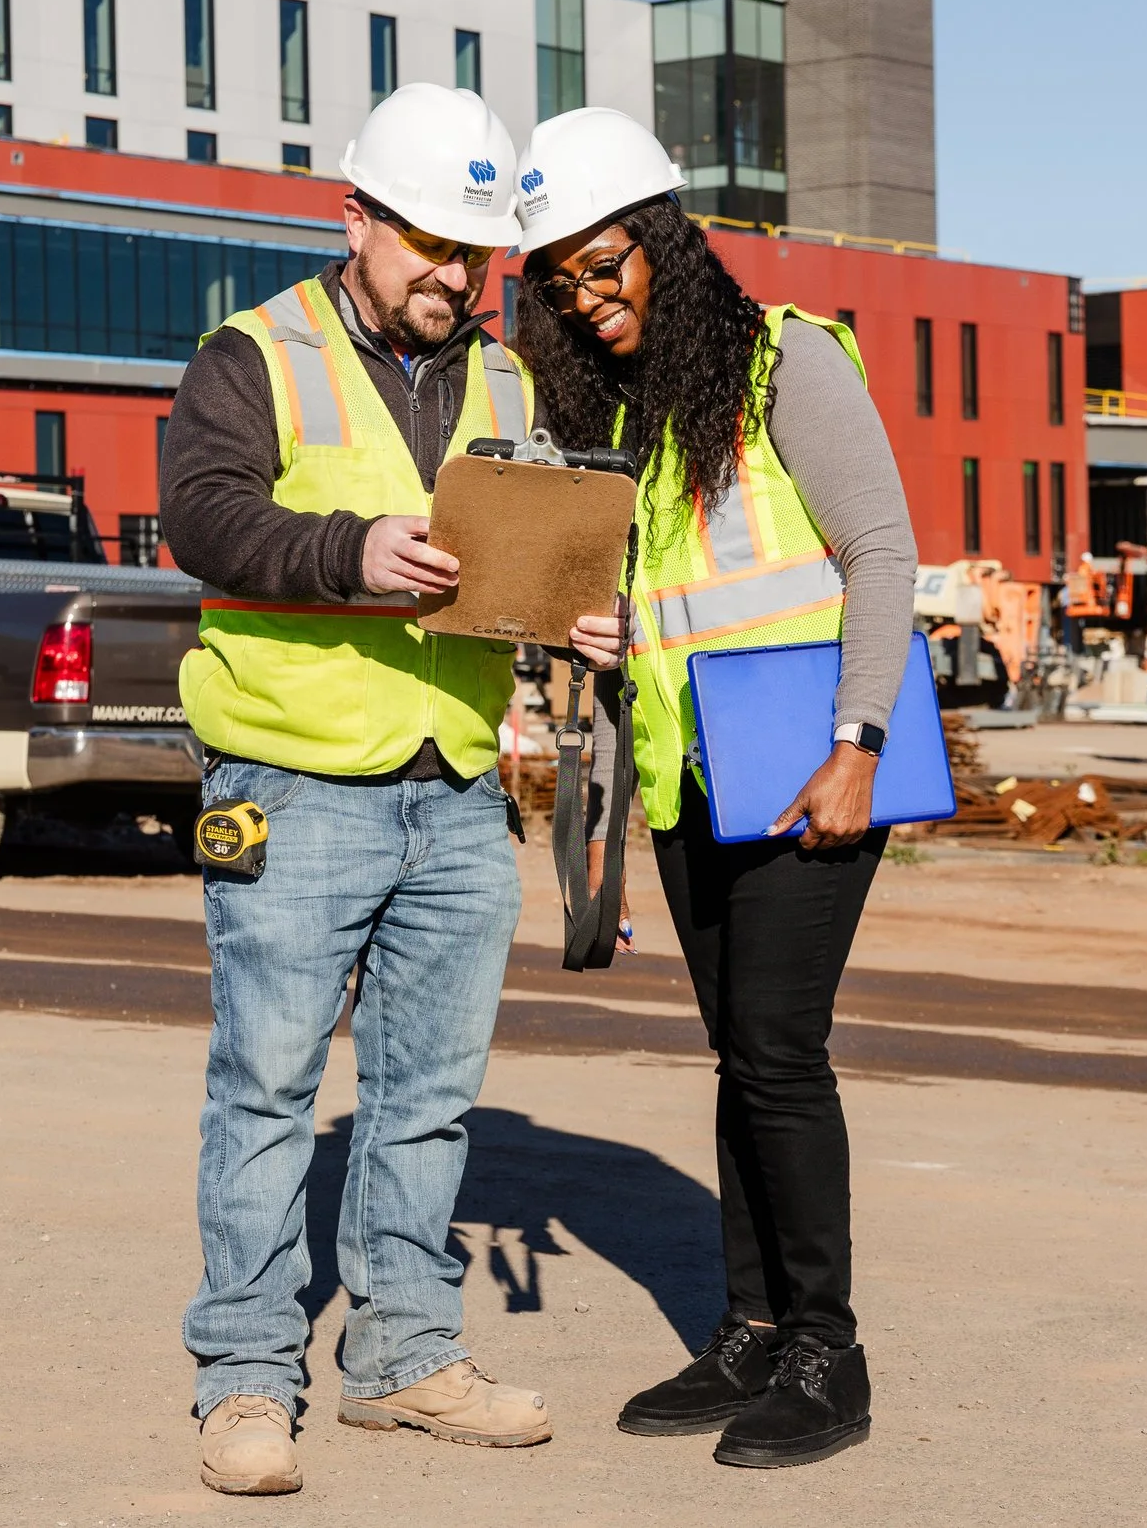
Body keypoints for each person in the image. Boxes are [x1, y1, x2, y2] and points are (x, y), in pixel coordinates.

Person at [160, 84, 599, 1496]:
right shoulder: (256, 353)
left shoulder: (513, 380)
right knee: (268, 1086)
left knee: (426, 1098)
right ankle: (243, 1377)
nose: (452, 280)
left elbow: (522, 552)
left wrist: (572, 610)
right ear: (355, 219)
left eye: (473, 256)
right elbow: (204, 516)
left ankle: (404, 1354)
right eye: (427, 246)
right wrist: (354, 549)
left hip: (457, 784)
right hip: (291, 780)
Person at [515, 107, 917, 1469]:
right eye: (562, 280)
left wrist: (859, 737)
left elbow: (880, 550)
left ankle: (828, 1346)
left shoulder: (783, 365)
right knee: (738, 1053)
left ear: (667, 242)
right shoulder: (628, 409)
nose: (589, 296)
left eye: (605, 264)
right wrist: (601, 624)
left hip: (809, 771)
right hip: (690, 779)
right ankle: (749, 1322)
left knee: (781, 1050)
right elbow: (683, 597)